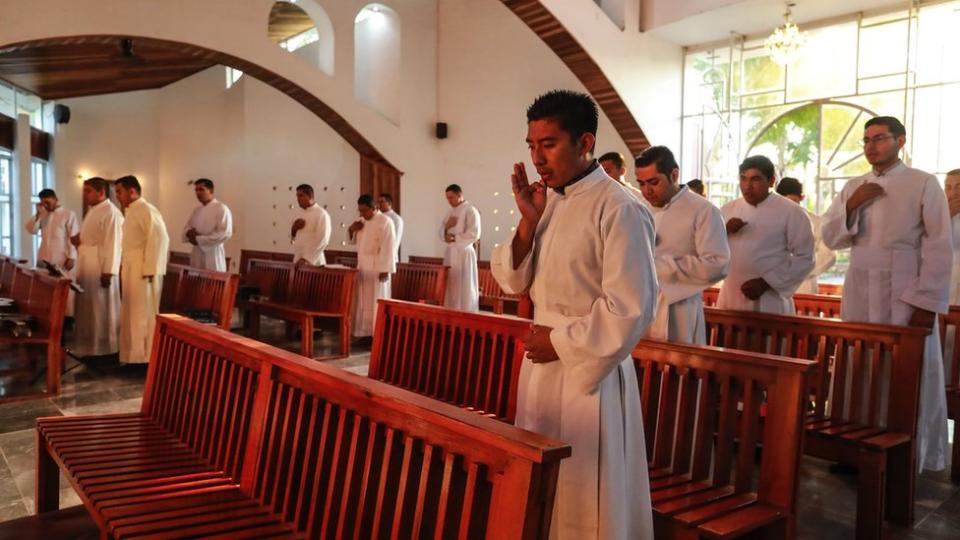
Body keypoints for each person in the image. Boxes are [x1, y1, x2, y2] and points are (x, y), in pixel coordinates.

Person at [491, 90, 656, 539]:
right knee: (542, 486)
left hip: (589, 374)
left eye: (548, 144)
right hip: (542, 369)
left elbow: (631, 308)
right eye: (530, 145)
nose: (537, 157)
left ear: (585, 142)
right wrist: (527, 223)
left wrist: (558, 342)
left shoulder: (619, 207)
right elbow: (512, 280)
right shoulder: (547, 203)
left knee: (588, 492)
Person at [821, 116, 952, 473]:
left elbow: (940, 246)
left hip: (905, 288)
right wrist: (852, 206)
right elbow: (831, 238)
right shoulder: (853, 186)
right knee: (859, 364)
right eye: (865, 140)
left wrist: (927, 303)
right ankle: (853, 446)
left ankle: (907, 451)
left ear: (901, 141)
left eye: (879, 138)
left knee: (903, 368)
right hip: (861, 285)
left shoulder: (922, 183)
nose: (870, 146)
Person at [635, 145, 729, 343]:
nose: (646, 191)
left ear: (674, 174)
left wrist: (664, 266)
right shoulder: (639, 208)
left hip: (679, 307)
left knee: (679, 369)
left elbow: (718, 264)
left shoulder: (703, 210)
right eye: (641, 184)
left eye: (653, 182)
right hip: (640, 303)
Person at [718, 155, 815, 314]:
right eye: (743, 179)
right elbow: (709, 250)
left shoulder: (791, 212)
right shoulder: (727, 210)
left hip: (769, 300)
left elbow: (805, 258)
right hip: (731, 297)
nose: (748, 186)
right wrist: (724, 231)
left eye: (755, 179)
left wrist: (767, 283)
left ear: (771, 181)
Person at [115, 176, 170, 364]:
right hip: (132, 266)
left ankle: (146, 357)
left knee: (143, 313)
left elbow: (160, 238)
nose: (117, 196)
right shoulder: (131, 211)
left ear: (132, 191)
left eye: (119, 192)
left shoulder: (146, 209)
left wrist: (150, 269)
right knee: (131, 312)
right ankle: (132, 356)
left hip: (143, 268)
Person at [72, 178, 123, 358]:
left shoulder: (111, 212)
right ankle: (88, 346)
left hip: (101, 266)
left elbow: (114, 243)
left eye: (88, 191)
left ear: (101, 192)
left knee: (101, 307)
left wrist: (109, 270)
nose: (85, 195)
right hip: (87, 262)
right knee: (88, 306)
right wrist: (79, 241)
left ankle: (105, 348)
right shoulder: (93, 210)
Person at [776, 177, 836, 295]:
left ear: (801, 198)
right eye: (784, 202)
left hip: (803, 285)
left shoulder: (816, 222)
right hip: (775, 284)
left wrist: (800, 270)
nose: (789, 207)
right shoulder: (770, 220)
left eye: (792, 201)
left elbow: (829, 255)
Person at [348, 194, 397, 339]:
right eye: (360, 211)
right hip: (363, 267)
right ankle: (364, 333)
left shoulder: (385, 221)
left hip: (378, 268)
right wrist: (352, 229)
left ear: (373, 208)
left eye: (364, 211)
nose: (361, 214)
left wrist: (386, 269)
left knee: (376, 302)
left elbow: (389, 247)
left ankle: (378, 335)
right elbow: (352, 242)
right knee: (362, 302)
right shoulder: (361, 221)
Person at [24, 189, 80, 314]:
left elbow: (74, 236)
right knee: (46, 290)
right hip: (44, 257)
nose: (45, 205)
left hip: (61, 258)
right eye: (43, 203)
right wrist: (38, 214)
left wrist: (72, 257)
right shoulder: (43, 215)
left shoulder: (68, 214)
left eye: (48, 202)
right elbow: (31, 230)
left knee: (65, 294)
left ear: (56, 199)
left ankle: (66, 322)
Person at [440, 184, 481, 312]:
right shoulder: (450, 212)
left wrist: (453, 238)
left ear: (459, 194)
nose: (449, 201)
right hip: (451, 252)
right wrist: (446, 230)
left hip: (464, 252)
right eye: (447, 198)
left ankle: (466, 312)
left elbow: (474, 233)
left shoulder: (470, 210)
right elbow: (441, 230)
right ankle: (450, 314)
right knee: (452, 285)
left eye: (451, 197)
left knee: (465, 285)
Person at [182, 178, 232, 271]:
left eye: (201, 189)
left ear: (211, 191)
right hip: (196, 253)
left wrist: (199, 239)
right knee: (196, 281)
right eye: (196, 190)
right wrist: (189, 233)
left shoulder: (221, 208)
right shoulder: (197, 210)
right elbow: (187, 227)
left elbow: (225, 233)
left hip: (213, 253)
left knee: (213, 283)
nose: (198, 193)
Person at [291, 184, 331, 266]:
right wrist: (294, 228)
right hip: (298, 258)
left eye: (301, 196)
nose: (298, 199)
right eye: (297, 196)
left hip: (314, 261)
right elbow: (293, 236)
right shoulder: (298, 214)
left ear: (310, 196)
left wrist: (306, 259)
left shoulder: (321, 214)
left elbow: (323, 239)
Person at [945, 169, 960, 304]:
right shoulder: (935, 215)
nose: (954, 193)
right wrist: (946, 217)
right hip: (945, 286)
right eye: (948, 188)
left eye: (959, 187)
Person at [378, 193, 403, 260]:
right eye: (378, 202)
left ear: (389, 203)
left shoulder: (396, 219)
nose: (379, 204)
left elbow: (396, 240)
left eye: (382, 202)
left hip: (389, 257)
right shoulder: (377, 217)